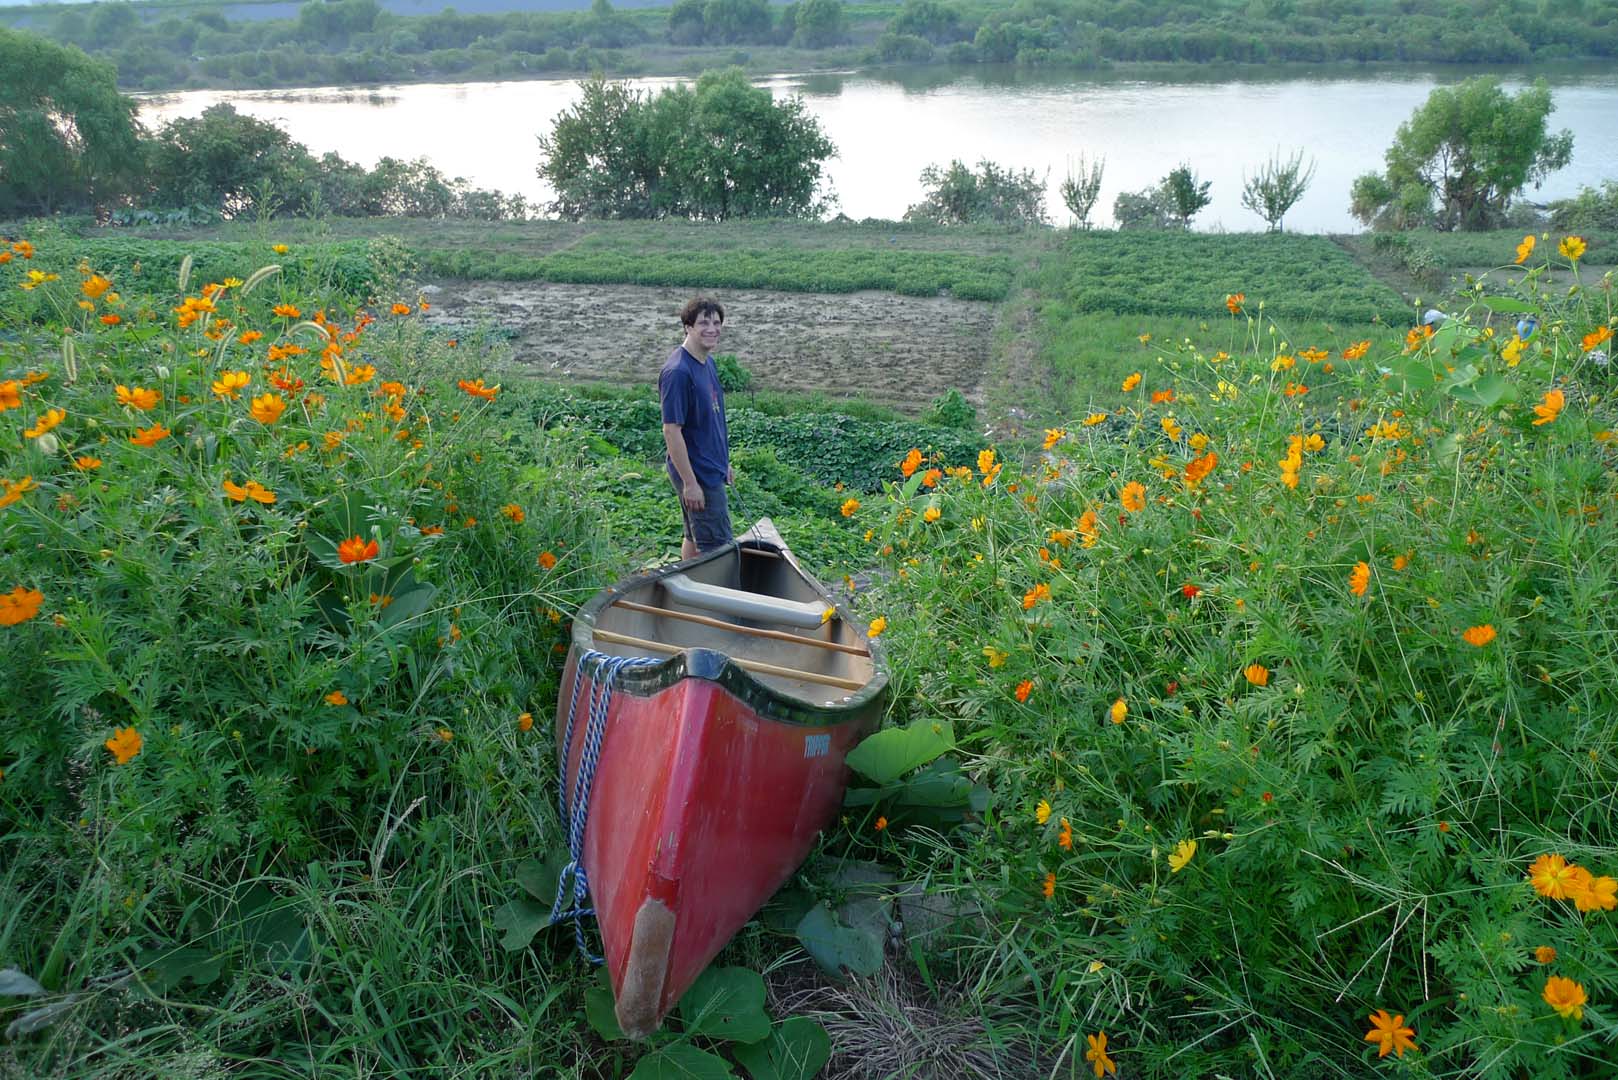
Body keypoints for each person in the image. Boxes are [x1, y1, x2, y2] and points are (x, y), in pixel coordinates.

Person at [659, 297, 733, 559]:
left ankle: (683, 589)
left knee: (693, 534)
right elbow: (671, 430)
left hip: (711, 466)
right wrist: (690, 483)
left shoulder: (706, 362)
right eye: (703, 322)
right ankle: (707, 596)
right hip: (697, 472)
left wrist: (724, 462)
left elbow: (712, 419)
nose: (712, 328)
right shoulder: (678, 372)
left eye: (716, 322)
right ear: (688, 327)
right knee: (717, 548)